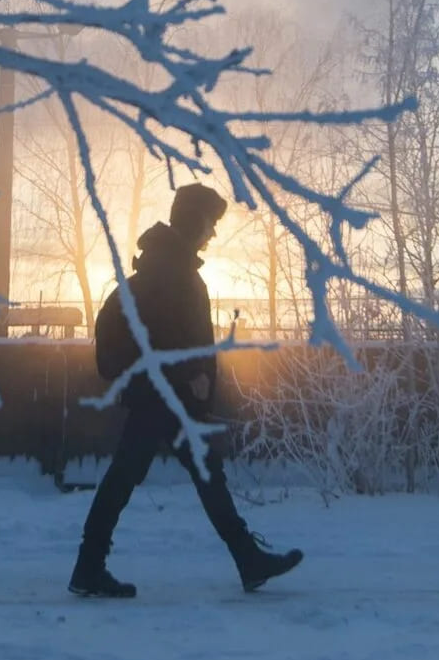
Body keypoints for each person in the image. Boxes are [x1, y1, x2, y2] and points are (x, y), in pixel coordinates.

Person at [69, 183, 303, 599]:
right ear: (195, 219)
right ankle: (91, 566)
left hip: (163, 397)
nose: (213, 233)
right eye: (211, 222)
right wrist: (190, 377)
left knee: (154, 476)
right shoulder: (171, 273)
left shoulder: (169, 268)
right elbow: (165, 341)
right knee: (153, 476)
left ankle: (91, 565)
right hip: (163, 397)